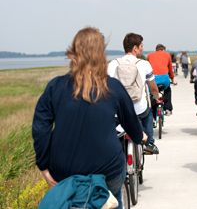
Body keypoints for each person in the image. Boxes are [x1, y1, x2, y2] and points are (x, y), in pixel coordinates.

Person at [32, 27, 146, 209]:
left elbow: (40, 128)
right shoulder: (113, 87)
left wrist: (44, 166)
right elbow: (131, 122)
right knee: (113, 198)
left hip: (64, 172)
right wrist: (140, 137)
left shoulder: (56, 87)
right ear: (102, 54)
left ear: (74, 52)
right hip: (108, 172)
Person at [108, 33, 160, 155]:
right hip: (138, 109)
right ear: (135, 48)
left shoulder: (112, 64)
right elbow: (153, 88)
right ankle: (149, 144)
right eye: (141, 46)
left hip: (118, 111)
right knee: (148, 112)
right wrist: (156, 97)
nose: (142, 48)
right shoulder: (144, 64)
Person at [147, 44, 177, 117]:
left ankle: (152, 115)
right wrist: (173, 79)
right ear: (163, 50)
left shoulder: (150, 55)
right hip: (164, 80)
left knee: (151, 94)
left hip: (153, 80)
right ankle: (168, 109)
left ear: (156, 50)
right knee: (168, 90)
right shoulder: (167, 55)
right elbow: (170, 70)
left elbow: (147, 69)